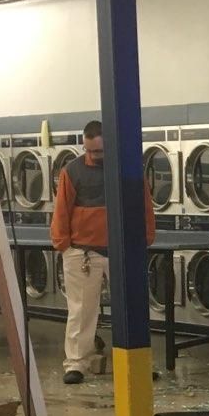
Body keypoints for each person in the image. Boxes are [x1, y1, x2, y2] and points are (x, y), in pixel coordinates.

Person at [50, 120, 156, 383]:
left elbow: (142, 204)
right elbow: (62, 209)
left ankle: (136, 363)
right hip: (83, 252)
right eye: (89, 151)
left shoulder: (128, 169)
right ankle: (75, 364)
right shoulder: (72, 171)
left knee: (132, 308)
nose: (93, 156)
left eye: (98, 152)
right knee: (82, 310)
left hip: (122, 250)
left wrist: (145, 237)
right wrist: (63, 244)